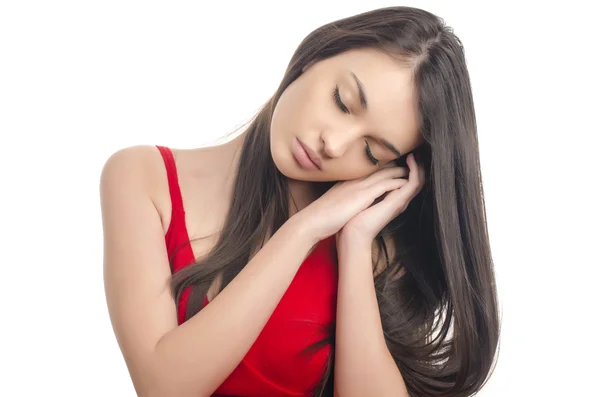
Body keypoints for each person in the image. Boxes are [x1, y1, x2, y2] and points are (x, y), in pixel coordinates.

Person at [100, 6, 500, 397]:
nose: (335, 144)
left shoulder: (374, 244)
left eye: (372, 152)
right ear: (316, 53)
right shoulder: (141, 176)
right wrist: (304, 228)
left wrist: (356, 242)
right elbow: (163, 386)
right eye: (342, 101)